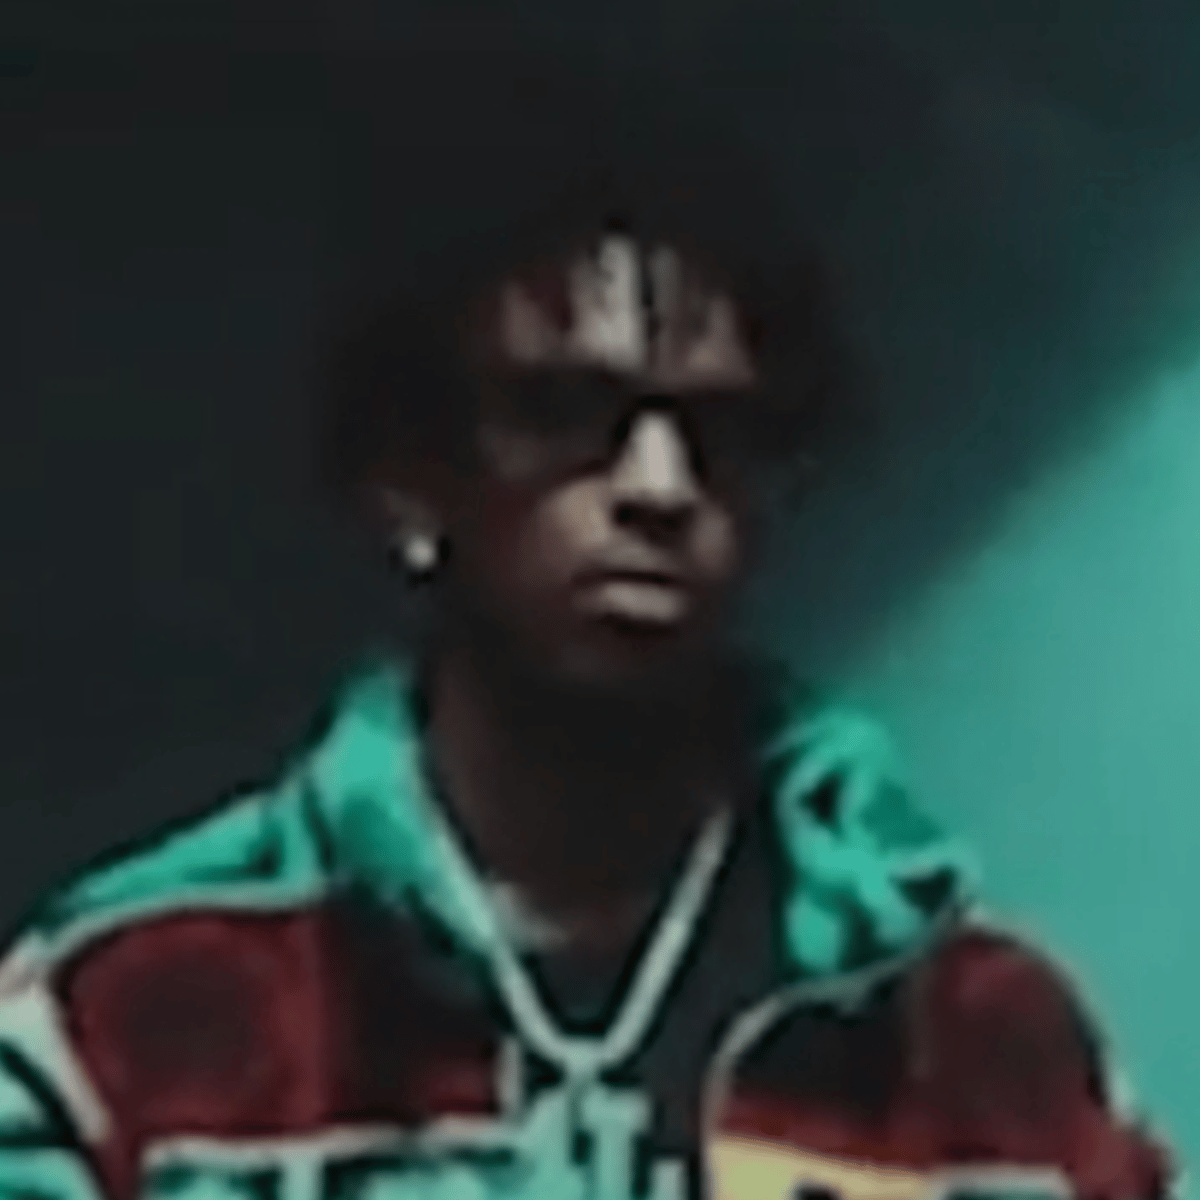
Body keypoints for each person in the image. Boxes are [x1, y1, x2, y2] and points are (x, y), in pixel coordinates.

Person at [0, 47, 1173, 1200]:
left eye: (721, 433)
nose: (660, 485)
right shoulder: (138, 1012)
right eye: (564, 413)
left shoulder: (982, 1036)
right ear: (408, 472)